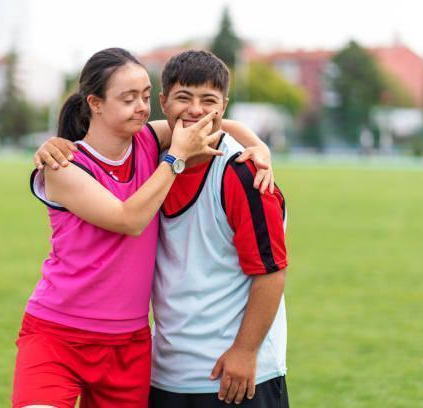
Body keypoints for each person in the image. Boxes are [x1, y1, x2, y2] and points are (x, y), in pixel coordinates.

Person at [17, 48, 272, 408]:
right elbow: (129, 220)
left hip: (129, 344)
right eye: (128, 99)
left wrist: (259, 146)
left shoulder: (149, 140)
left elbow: (209, 121)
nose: (141, 107)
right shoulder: (64, 166)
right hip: (58, 335)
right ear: (95, 103)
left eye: (146, 96)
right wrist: (175, 158)